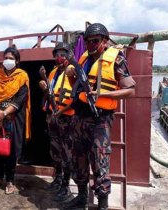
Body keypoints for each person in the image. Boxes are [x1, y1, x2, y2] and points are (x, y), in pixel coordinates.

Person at [63, 23, 136, 210]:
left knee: (100, 160)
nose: (90, 44)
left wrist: (102, 94)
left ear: (104, 40)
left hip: (100, 119)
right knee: (78, 159)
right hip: (79, 117)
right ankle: (80, 197)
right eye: (87, 41)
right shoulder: (84, 58)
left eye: (94, 41)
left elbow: (130, 91)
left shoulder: (116, 58)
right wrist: (71, 74)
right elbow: (75, 87)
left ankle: (102, 204)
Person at [0, 47, 31, 195]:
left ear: (17, 61)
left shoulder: (22, 76)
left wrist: (4, 113)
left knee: (11, 151)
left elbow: (20, 99)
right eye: (6, 58)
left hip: (13, 118)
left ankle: (10, 180)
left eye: (11, 58)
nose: (8, 61)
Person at [39, 42, 74, 201]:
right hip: (52, 117)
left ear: (69, 55)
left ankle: (66, 186)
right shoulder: (52, 73)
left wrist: (62, 111)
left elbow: (78, 96)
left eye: (62, 54)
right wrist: (44, 87)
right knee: (55, 150)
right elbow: (50, 93)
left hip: (67, 117)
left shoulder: (72, 71)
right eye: (57, 54)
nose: (59, 57)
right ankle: (58, 178)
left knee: (67, 152)